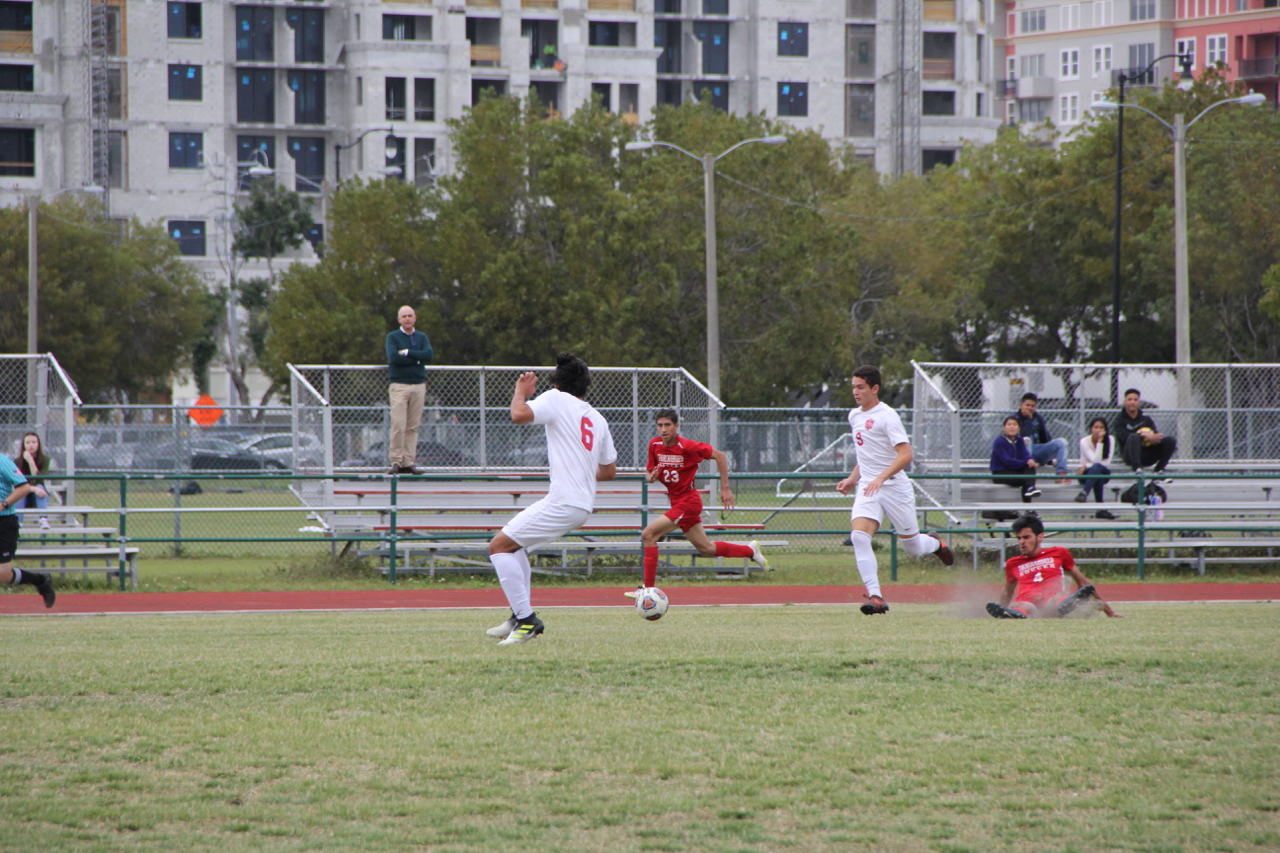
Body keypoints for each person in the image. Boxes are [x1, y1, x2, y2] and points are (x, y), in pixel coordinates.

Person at [486, 353, 618, 646]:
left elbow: (518, 415)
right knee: (513, 546)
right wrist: (581, 470)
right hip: (582, 504)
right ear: (585, 387)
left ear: (557, 384)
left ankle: (526, 620)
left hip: (563, 501)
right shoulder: (597, 417)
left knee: (498, 546)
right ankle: (516, 616)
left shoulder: (556, 399)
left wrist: (522, 391)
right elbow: (609, 471)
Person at [835, 365, 953, 616]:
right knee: (858, 537)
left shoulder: (887, 416)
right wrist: (853, 478)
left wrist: (880, 478)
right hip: (869, 489)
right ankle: (876, 597)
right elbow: (866, 454)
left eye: (860, 387)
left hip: (895, 488)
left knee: (913, 549)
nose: (855, 392)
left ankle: (934, 542)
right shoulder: (854, 416)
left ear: (874, 389)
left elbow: (905, 454)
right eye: (853, 387)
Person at [625, 408, 768, 597]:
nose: (663, 429)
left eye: (668, 425)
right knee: (706, 549)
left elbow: (720, 456)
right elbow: (649, 474)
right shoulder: (654, 445)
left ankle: (647, 590)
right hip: (677, 504)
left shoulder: (688, 446)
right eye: (660, 425)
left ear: (676, 426)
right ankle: (750, 550)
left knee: (649, 534)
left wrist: (725, 488)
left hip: (689, 503)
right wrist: (651, 478)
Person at [986, 514, 1121, 619]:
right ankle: (1015, 614)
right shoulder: (1013, 563)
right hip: (1028, 603)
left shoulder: (1058, 553)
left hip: (1051, 602)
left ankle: (1069, 605)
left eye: (1026, 537)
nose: (1022, 542)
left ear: (1040, 537)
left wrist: (1109, 611)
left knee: (1059, 597)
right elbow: (1007, 591)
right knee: (1018, 605)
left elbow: (1083, 582)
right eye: (1019, 538)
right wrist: (1001, 608)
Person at [0, 454, 55, 607]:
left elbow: (23, 487)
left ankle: (41, 580)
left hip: (4, 522)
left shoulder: (2, 461)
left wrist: (3, 504)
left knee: (3, 574)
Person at [385, 305, 434, 475]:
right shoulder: (393, 337)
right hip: (400, 385)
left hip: (418, 385)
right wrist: (416, 359)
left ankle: (409, 462)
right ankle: (396, 461)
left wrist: (407, 353)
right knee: (399, 424)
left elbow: (428, 355)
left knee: (412, 426)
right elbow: (394, 358)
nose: (407, 318)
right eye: (404, 316)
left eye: (410, 315)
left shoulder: (421, 337)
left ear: (415, 318)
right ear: (399, 319)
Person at [1112, 389, 1177, 482]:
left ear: (1139, 402)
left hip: (1149, 455)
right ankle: (1137, 470)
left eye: (1135, 400)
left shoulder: (1146, 419)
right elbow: (1124, 437)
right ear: (1125, 401)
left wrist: (1155, 437)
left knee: (1170, 440)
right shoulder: (1119, 420)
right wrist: (1142, 434)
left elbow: (1153, 435)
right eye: (1129, 399)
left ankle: (1159, 471)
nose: (1132, 402)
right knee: (1134, 437)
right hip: (1130, 457)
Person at [1011, 393, 1070, 484]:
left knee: (1061, 442)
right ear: (1021, 405)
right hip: (1021, 454)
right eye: (1027, 405)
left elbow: (1045, 438)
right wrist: (1029, 419)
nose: (1030, 408)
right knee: (1027, 440)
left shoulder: (1038, 418)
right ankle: (1030, 474)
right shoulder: (1015, 419)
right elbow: (1023, 436)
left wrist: (1049, 460)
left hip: (1037, 451)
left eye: (1032, 406)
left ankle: (1061, 474)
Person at [990, 416, 1041, 503]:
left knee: (1030, 468)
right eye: (1009, 424)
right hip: (1001, 473)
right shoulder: (999, 441)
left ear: (1019, 428)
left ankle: (1030, 489)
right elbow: (1007, 461)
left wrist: (1031, 460)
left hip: (1015, 470)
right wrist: (1027, 462)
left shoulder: (1020, 440)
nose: (1012, 427)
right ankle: (1028, 507)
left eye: (1015, 424)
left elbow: (1025, 454)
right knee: (1027, 479)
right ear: (1004, 428)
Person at [1076, 417, 1117, 520]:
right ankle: (1101, 509)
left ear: (1105, 430)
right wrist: (1088, 467)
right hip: (1085, 475)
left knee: (1097, 468)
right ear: (1091, 429)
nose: (1098, 430)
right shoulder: (1084, 441)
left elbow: (1104, 462)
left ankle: (1084, 493)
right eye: (1096, 427)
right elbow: (1095, 460)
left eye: (1101, 427)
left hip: (1103, 472)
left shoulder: (1110, 439)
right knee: (1097, 474)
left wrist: (1086, 465)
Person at [13, 432, 52, 529]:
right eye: (28, 442)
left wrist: (31, 462)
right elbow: (18, 483)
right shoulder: (17, 462)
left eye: (34, 442)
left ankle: (43, 519)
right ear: (24, 445)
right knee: (21, 490)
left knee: (40, 487)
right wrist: (33, 489)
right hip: (23, 498)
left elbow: (38, 480)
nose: (31, 445)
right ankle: (19, 522)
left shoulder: (45, 460)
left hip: (39, 497)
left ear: (38, 444)